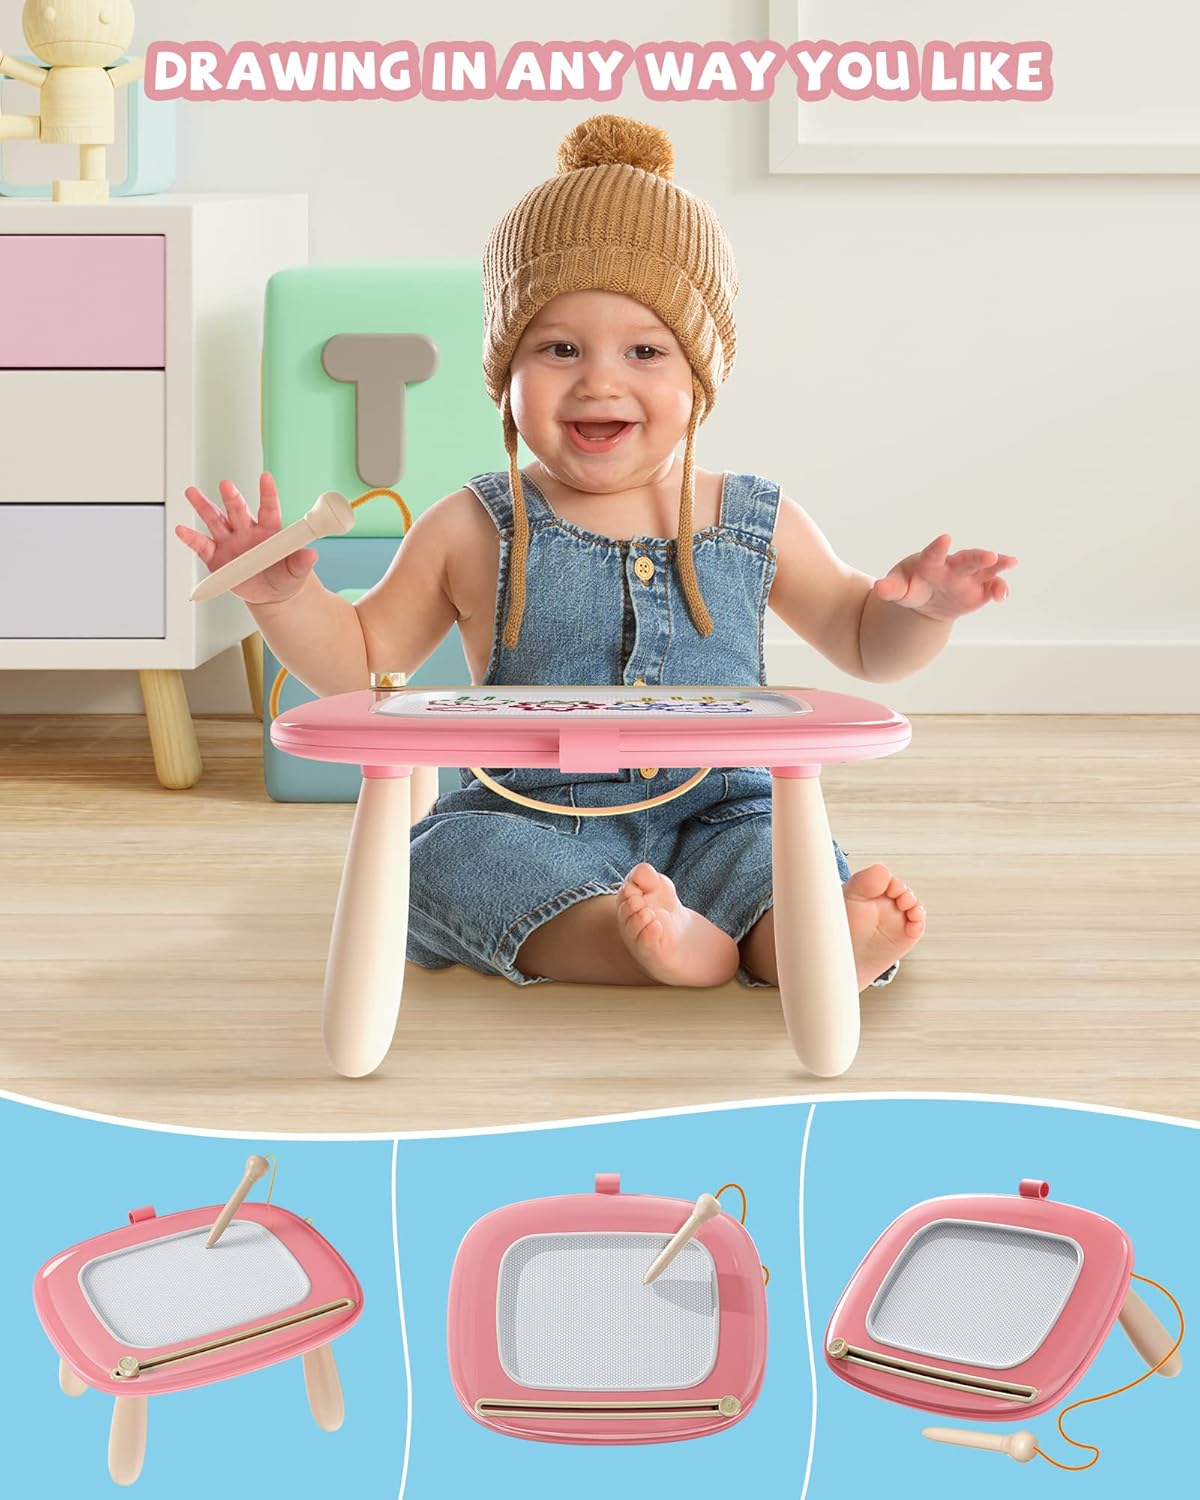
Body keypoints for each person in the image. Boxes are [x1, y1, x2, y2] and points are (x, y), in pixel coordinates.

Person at [178, 114, 1015, 996]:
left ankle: (806, 943)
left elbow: (860, 640)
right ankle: (628, 943)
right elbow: (363, 666)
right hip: (535, 819)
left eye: (646, 351)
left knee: (772, 856)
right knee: (434, 860)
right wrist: (279, 599)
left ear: (700, 377)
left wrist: (915, 614)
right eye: (559, 348)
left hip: (723, 811)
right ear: (507, 377)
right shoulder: (473, 524)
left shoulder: (752, 519)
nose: (599, 379)